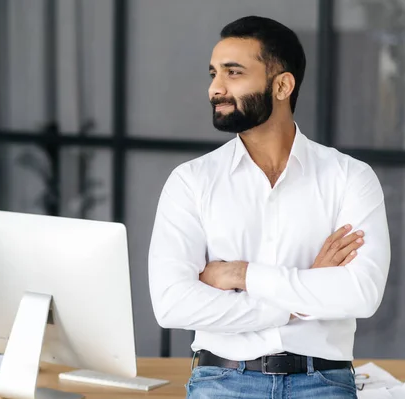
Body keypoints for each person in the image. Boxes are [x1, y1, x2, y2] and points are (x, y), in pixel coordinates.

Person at [148, 15, 391, 399]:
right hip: (222, 381)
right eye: (213, 74)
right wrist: (298, 299)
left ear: (282, 85)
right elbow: (172, 304)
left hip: (323, 382)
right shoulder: (191, 181)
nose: (215, 88)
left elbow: (361, 292)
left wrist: (242, 275)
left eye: (233, 73)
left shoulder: (349, 178)